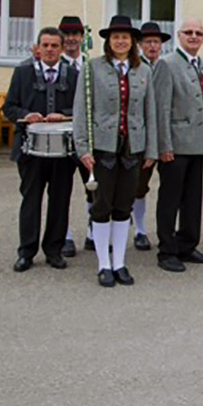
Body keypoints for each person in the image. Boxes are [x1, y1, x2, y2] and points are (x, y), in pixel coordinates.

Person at [73, 16, 158, 287]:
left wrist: (151, 150)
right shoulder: (92, 69)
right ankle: (103, 264)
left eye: (125, 37)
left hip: (133, 147)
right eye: (115, 37)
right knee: (102, 206)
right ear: (108, 41)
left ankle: (120, 262)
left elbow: (150, 113)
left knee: (124, 206)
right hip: (102, 147)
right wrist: (83, 148)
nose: (120, 41)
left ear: (133, 41)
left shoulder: (143, 70)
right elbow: (80, 111)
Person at [4, 27, 79, 272]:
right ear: (38, 47)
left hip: (63, 152)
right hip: (30, 149)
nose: (49, 50)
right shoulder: (22, 73)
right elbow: (9, 107)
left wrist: (64, 115)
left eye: (54, 46)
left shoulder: (74, 75)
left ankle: (54, 251)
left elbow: (81, 109)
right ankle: (26, 251)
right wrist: (27, 115)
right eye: (45, 45)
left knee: (59, 201)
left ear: (61, 48)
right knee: (31, 200)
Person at [153, 18, 203, 273]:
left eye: (198, 33)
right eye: (188, 32)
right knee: (170, 199)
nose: (193, 36)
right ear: (178, 35)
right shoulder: (167, 65)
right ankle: (167, 250)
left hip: (196, 144)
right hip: (175, 145)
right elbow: (160, 107)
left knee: (192, 199)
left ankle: (187, 244)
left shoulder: (201, 64)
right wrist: (163, 145)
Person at [131, 21, 170, 251]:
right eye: (148, 42)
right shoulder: (134, 67)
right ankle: (136, 229)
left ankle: (151, 231)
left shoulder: (166, 67)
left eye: (156, 42)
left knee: (154, 186)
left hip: (163, 136)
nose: (153, 46)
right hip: (139, 135)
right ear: (140, 45)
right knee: (135, 185)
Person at [57, 15, 92, 256]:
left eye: (75, 34)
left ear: (82, 37)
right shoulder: (53, 65)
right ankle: (65, 235)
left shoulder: (90, 65)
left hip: (87, 136)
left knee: (93, 186)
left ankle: (92, 232)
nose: (71, 39)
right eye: (66, 34)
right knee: (62, 189)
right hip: (61, 137)